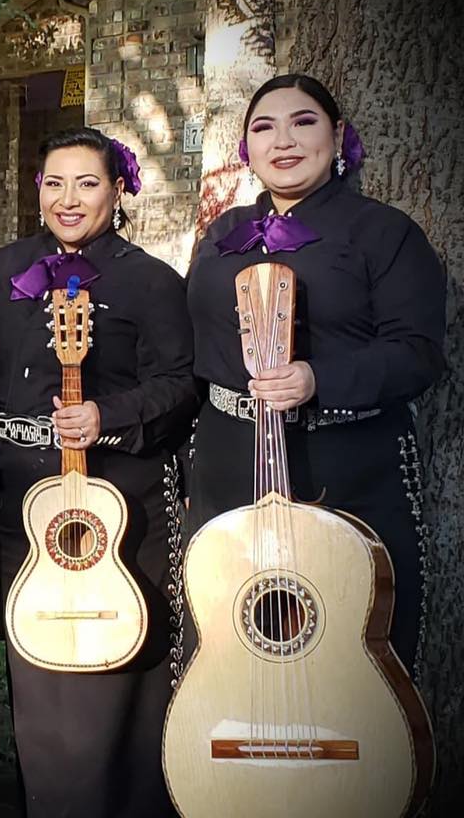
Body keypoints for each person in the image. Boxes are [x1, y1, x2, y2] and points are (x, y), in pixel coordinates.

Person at [0, 126, 200, 818]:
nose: (68, 199)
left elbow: (182, 382)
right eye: (55, 183)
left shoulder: (151, 281)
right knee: (41, 676)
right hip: (23, 506)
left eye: (88, 183)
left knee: (120, 669)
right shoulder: (5, 269)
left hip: (122, 507)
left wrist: (109, 414)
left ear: (118, 190)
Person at [186, 73, 446, 676]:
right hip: (229, 465)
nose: (284, 140)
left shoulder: (384, 233)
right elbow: (194, 349)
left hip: (348, 465)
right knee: (232, 654)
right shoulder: (223, 234)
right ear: (247, 148)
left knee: (346, 660)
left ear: (338, 134)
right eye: (264, 127)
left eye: (303, 122)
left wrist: (316, 378)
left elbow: (418, 353)